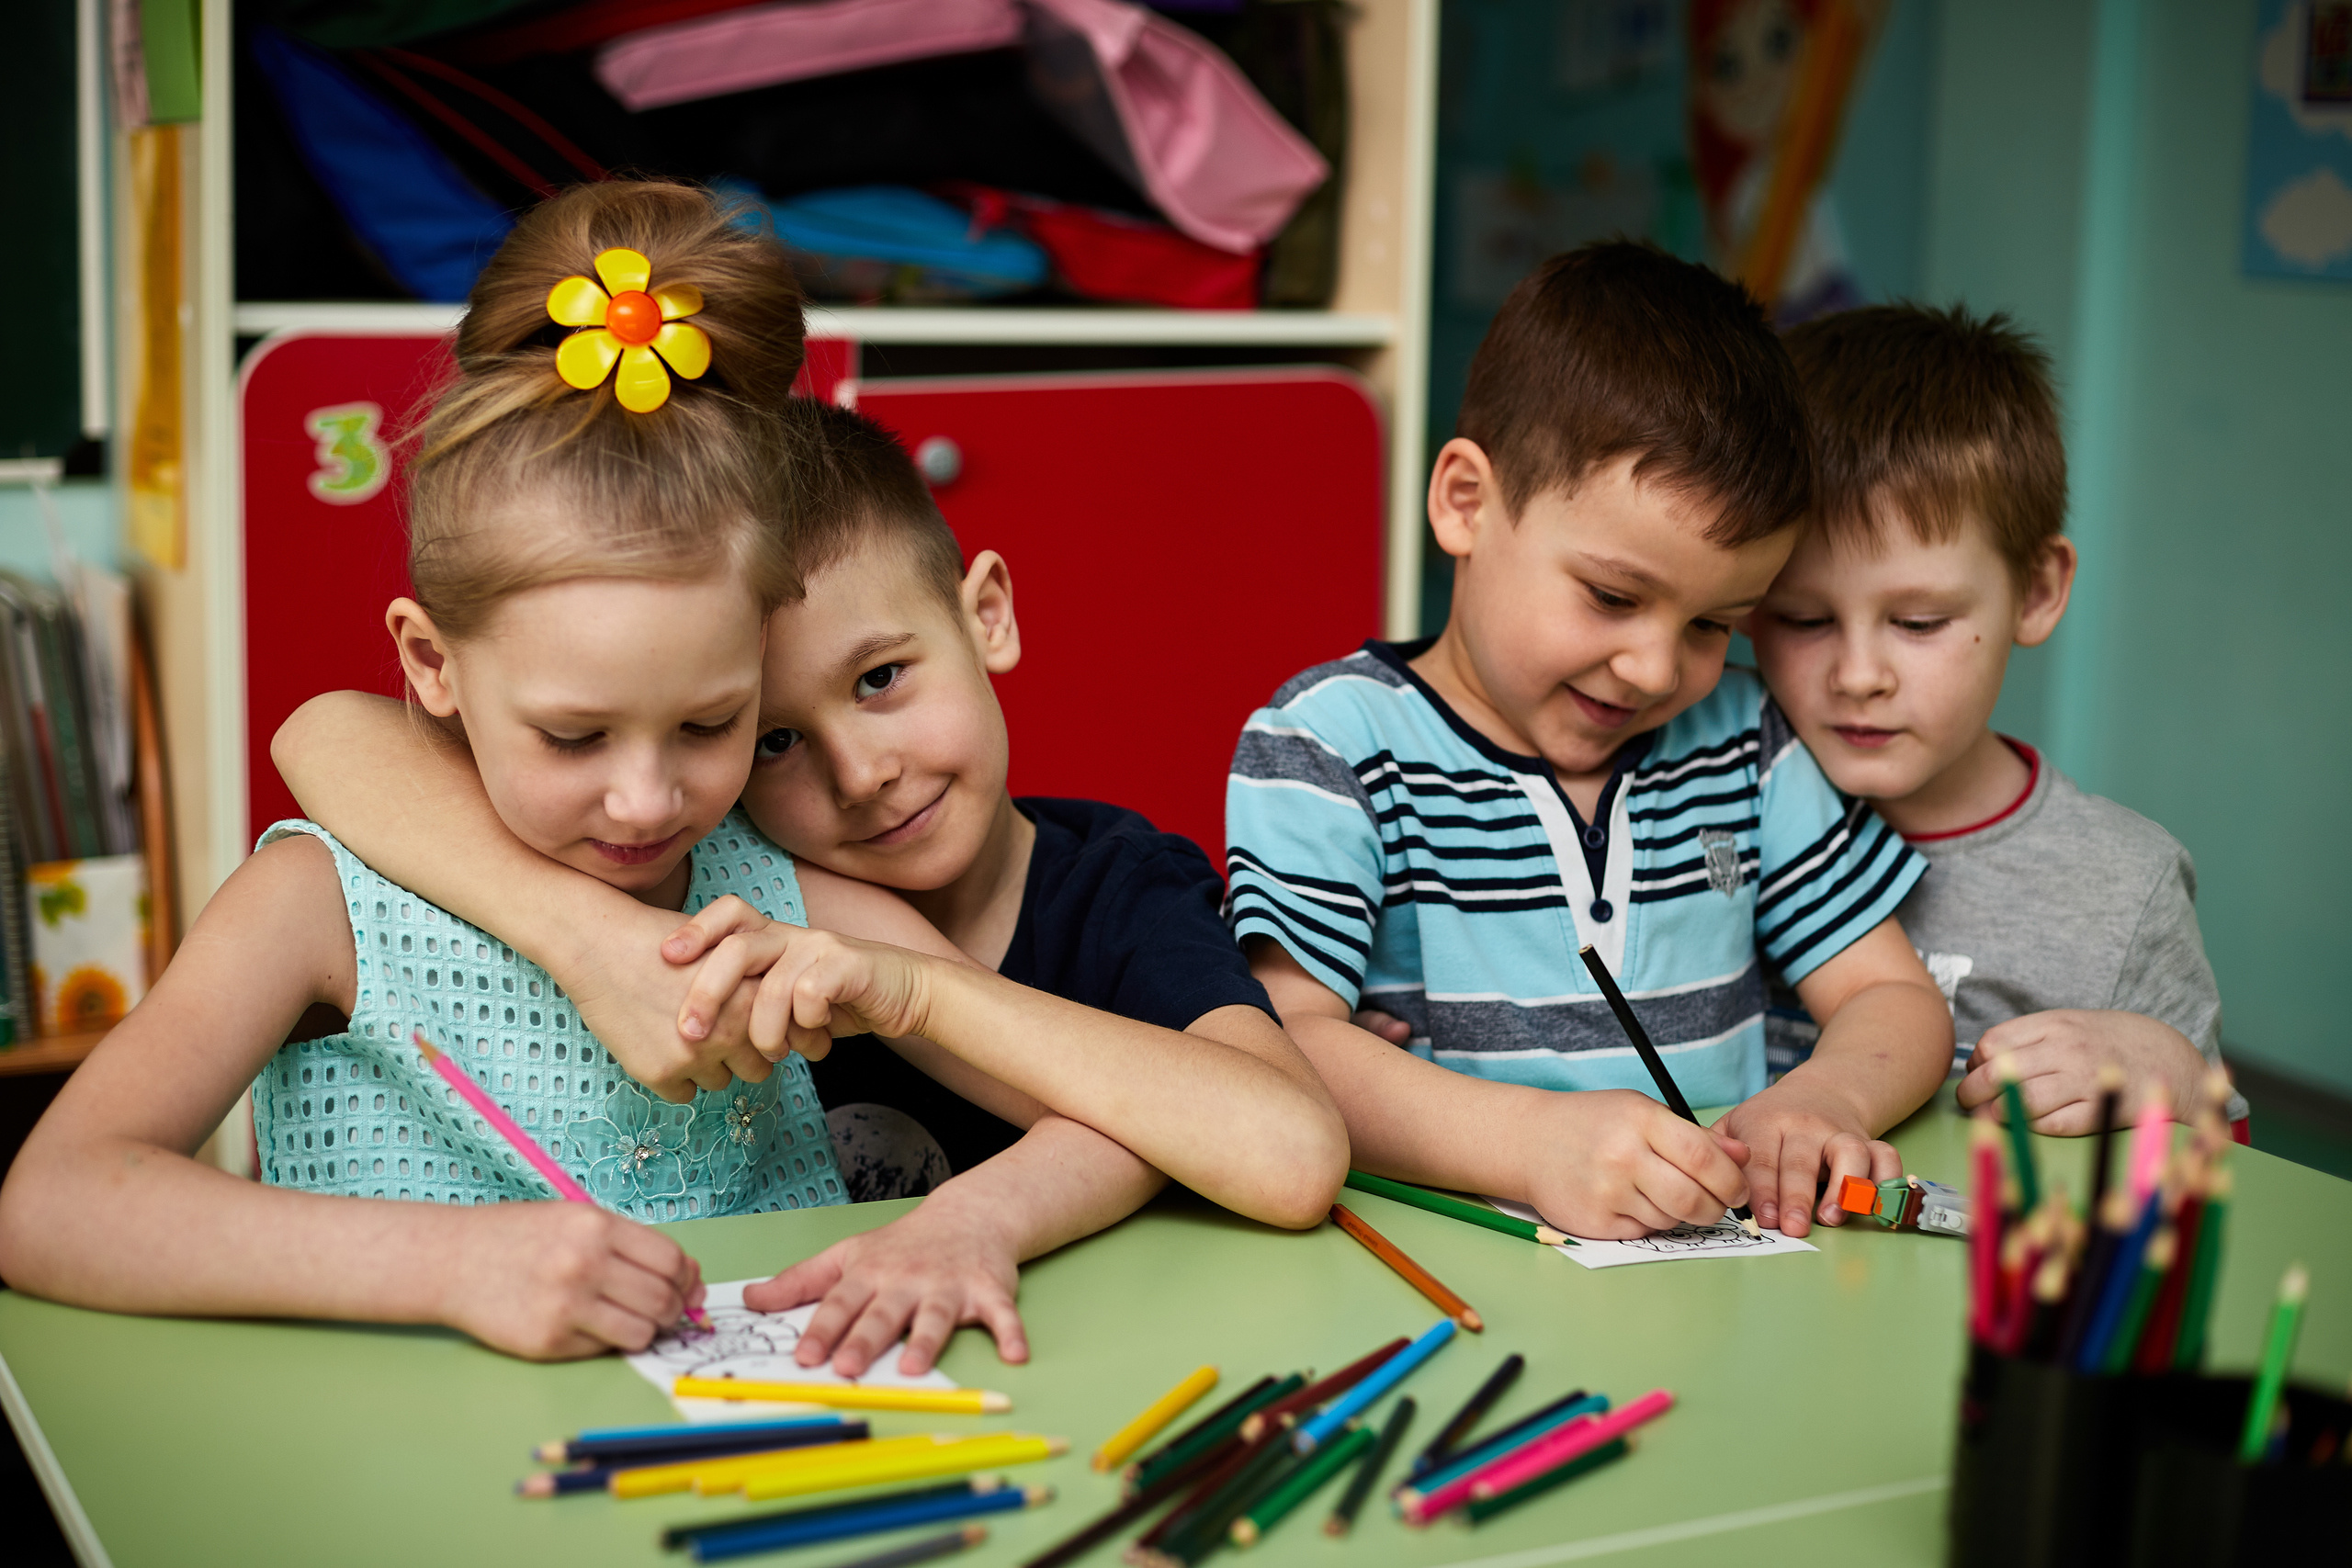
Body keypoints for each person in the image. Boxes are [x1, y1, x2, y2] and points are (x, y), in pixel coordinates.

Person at [270, 402, 1347, 1378]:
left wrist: (920, 1011)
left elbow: (1275, 1148)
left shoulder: (1112, 887)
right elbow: (329, 733)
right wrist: (588, 935)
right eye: (771, 736)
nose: (859, 774)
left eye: (881, 679)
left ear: (988, 617)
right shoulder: (721, 846)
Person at [0, 180, 820, 1357]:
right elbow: (48, 1205)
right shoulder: (321, 905)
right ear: (429, 662)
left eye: (709, 725)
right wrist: (450, 1263)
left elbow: (1082, 1082)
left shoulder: (781, 875)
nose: (648, 801)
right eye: (574, 737)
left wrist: (977, 1217)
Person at [1226, 243, 1954, 1242]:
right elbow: (1275, 1048)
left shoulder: (1743, 738)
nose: (1658, 671)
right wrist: (1531, 1143)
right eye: (1612, 597)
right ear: (1466, 504)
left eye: (1713, 625)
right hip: (1450, 1267)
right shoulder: (1328, 744)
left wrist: (1825, 1100)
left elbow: (1889, 995)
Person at [1746, 303, 2247, 1137]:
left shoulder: (2122, 882)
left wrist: (2173, 1073)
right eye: (1801, 618)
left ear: (2038, 590)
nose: (1859, 675)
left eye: (1918, 623)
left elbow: (2223, 1159)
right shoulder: (1704, 805)